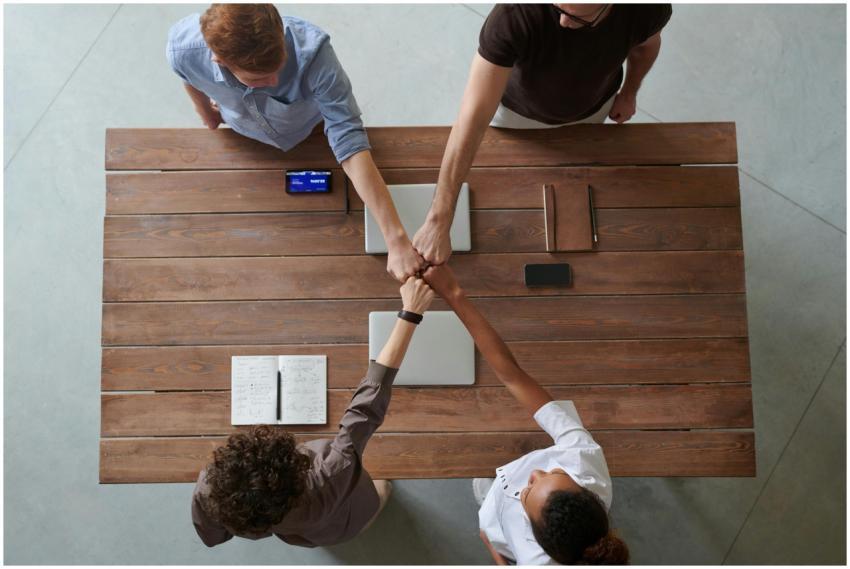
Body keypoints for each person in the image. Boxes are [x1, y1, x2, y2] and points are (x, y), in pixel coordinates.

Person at [167, 4, 423, 281]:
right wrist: (206, 113)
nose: (275, 80)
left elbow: (347, 135)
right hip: (245, 140)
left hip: (310, 130)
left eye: (278, 67)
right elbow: (186, 74)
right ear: (219, 60)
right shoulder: (183, 49)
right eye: (259, 79)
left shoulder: (314, 53)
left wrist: (396, 240)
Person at [413, 3, 673, 266]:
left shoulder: (646, 8)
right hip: (515, 114)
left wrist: (629, 93)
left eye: (574, 17)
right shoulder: (514, 14)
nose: (562, 22)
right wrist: (439, 219)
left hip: (593, 108)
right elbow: (473, 117)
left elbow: (646, 46)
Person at [191, 277, 435, 547]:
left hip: (310, 532)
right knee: (381, 490)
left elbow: (211, 536)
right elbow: (366, 406)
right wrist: (410, 312)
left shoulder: (211, 487)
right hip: (345, 518)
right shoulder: (328, 475)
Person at [422, 264, 628, 565]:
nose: (536, 472)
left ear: (533, 537)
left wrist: (492, 546)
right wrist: (454, 294)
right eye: (555, 473)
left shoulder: (537, 561)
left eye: (529, 490)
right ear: (589, 494)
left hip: (494, 523)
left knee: (486, 496)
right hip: (500, 511)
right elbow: (513, 376)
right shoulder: (582, 458)